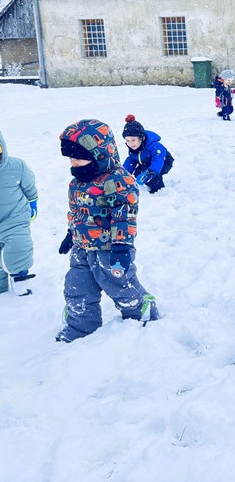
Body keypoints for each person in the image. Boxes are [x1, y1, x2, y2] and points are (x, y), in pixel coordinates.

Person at [56, 119, 159, 342]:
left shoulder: (117, 180)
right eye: (70, 157)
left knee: (120, 286)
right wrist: (69, 233)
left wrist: (121, 247)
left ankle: (140, 310)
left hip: (110, 249)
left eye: (79, 156)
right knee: (76, 288)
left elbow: (125, 216)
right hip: (81, 246)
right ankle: (80, 327)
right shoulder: (77, 182)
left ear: (99, 154)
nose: (73, 161)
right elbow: (77, 211)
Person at [0, 130, 37, 296]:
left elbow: (29, 187)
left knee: (19, 248)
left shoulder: (16, 167)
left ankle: (21, 279)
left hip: (15, 217)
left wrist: (33, 202)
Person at [122, 114, 175, 194]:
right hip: (147, 162)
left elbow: (158, 159)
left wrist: (151, 172)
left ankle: (158, 190)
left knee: (150, 174)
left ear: (142, 138)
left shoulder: (154, 146)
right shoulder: (134, 147)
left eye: (133, 140)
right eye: (127, 140)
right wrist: (124, 174)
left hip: (164, 162)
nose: (130, 143)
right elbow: (131, 160)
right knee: (138, 172)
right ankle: (149, 180)